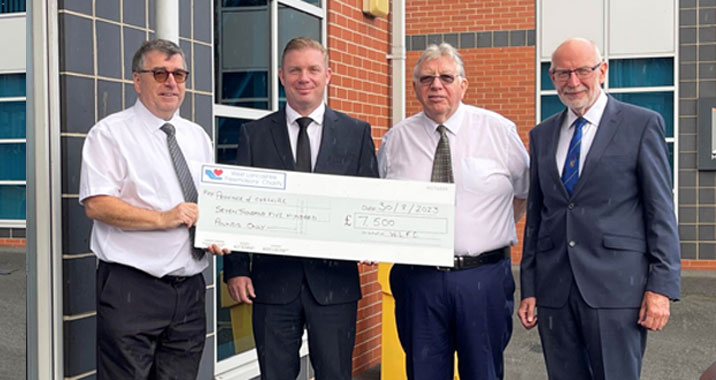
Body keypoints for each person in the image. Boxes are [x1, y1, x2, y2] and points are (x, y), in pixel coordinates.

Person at [519, 37, 681, 379]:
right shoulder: (542, 135)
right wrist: (530, 287)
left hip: (617, 291)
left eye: (582, 71)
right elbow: (537, 217)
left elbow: (660, 213)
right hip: (555, 291)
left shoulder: (640, 125)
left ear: (602, 70)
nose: (573, 81)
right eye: (563, 73)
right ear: (552, 78)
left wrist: (661, 287)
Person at [219, 37, 377, 380]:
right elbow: (237, 206)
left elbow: (369, 199)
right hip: (271, 283)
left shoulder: (356, 133)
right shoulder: (254, 135)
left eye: (313, 69)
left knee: (335, 375)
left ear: (328, 75)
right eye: (295, 70)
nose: (304, 77)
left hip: (334, 284)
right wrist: (235, 268)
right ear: (281, 76)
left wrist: (372, 241)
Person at [378, 43, 527, 379]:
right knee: (423, 371)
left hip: (483, 278)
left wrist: (484, 230)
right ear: (415, 87)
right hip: (418, 280)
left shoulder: (498, 131)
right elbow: (380, 202)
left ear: (463, 84)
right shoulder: (395, 141)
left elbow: (524, 193)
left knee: (483, 372)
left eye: (446, 77)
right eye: (427, 78)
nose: (436, 85)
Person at [79, 39, 217, 379]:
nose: (171, 82)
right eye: (160, 73)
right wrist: (163, 218)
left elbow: (209, 204)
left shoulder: (197, 136)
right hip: (132, 289)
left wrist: (217, 231)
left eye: (179, 74)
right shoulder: (109, 134)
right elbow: (97, 204)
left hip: (189, 290)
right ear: (137, 80)